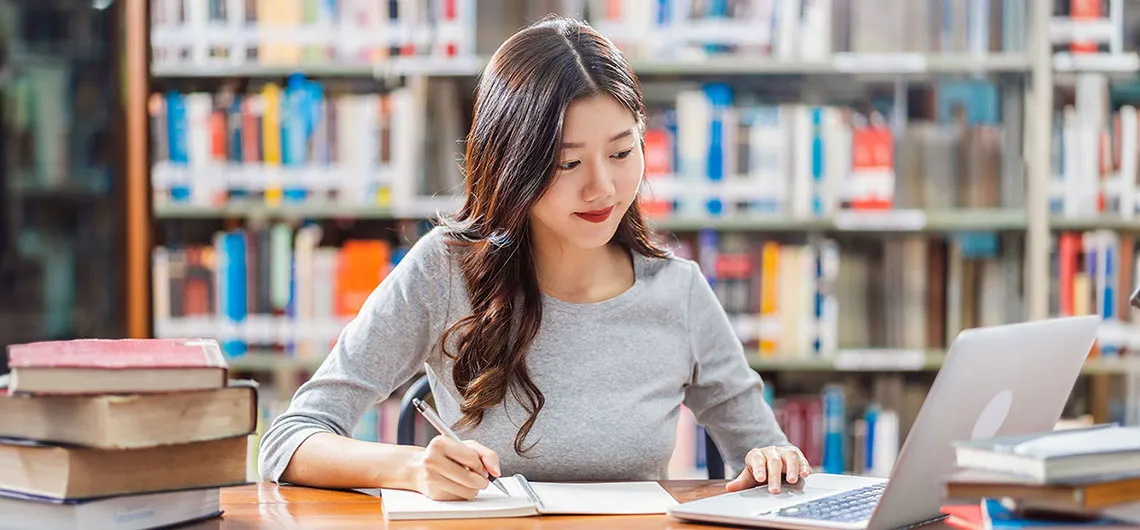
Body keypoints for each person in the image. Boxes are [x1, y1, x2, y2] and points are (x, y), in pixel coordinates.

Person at [259, 16, 810, 502]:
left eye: (622, 152)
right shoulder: (443, 271)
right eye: (568, 164)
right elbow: (288, 440)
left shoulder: (680, 292)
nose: (603, 188)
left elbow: (763, 455)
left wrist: (772, 461)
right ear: (511, 165)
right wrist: (410, 468)